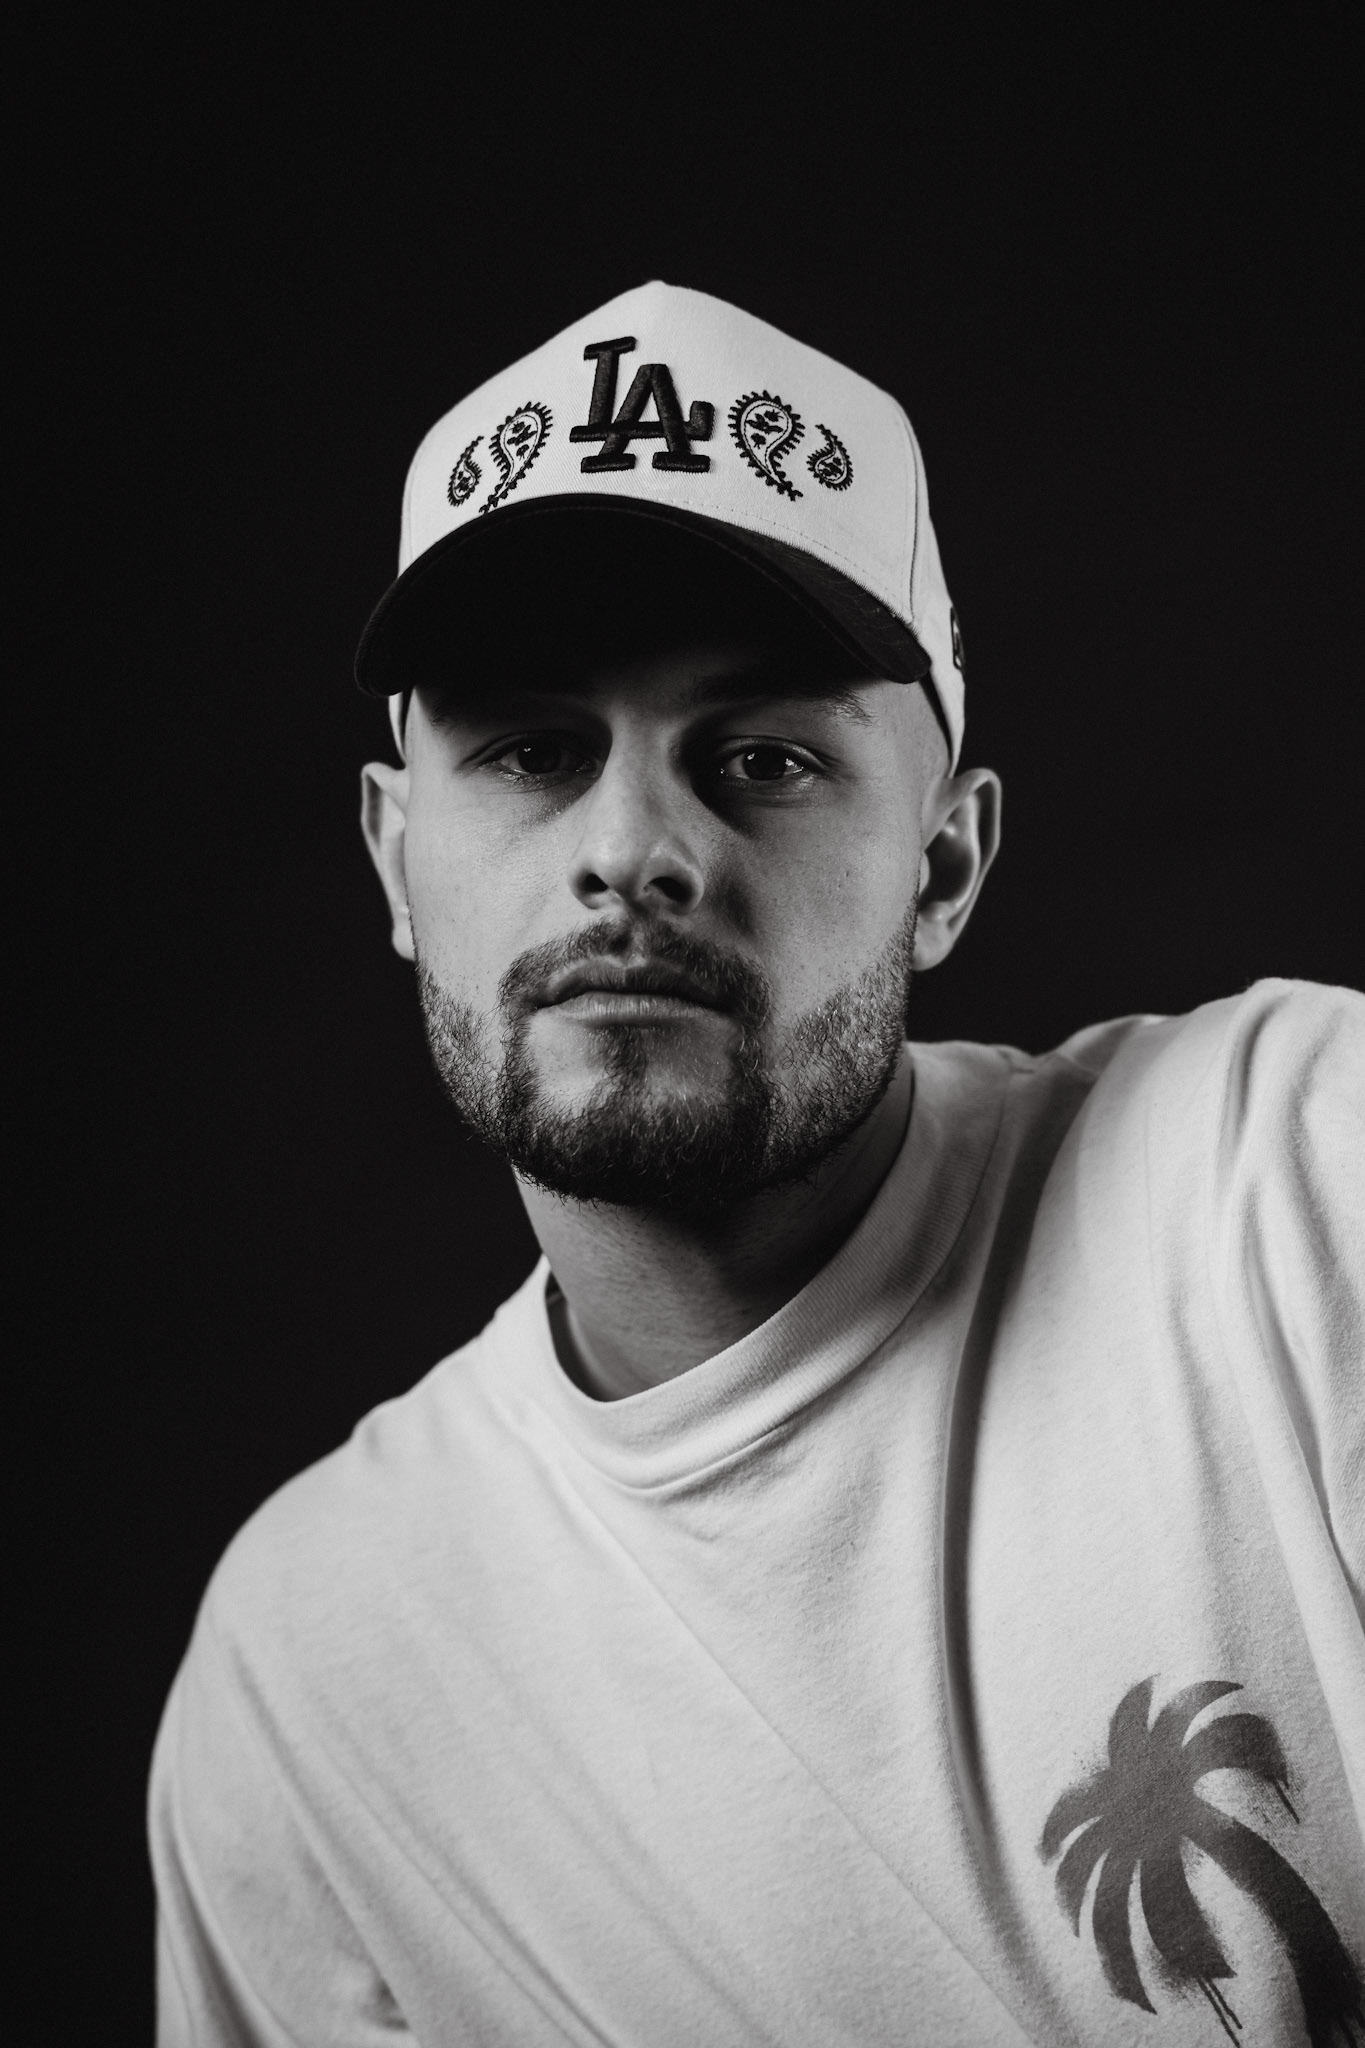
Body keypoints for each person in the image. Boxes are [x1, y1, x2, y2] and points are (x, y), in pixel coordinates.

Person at [149, 282, 1364, 2046]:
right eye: (531, 751)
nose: (633, 850)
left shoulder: (1297, 1178)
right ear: (398, 859)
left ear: (942, 866)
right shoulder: (307, 1675)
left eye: (765, 757)